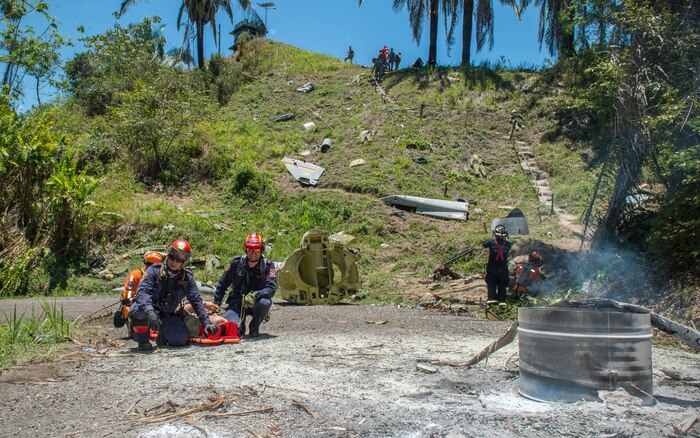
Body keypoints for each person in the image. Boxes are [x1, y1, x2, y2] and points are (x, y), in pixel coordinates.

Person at [129, 239, 218, 351]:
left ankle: (163, 333)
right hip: (148, 309)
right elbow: (142, 293)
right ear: (168, 255)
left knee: (179, 340)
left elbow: (196, 301)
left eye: (179, 260)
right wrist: (150, 311)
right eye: (172, 257)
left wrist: (207, 322)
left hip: (167, 313)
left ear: (184, 262)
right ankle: (143, 341)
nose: (174, 262)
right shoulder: (153, 270)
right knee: (138, 311)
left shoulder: (187, 278)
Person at [213, 234, 277, 338]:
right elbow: (222, 285)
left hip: (256, 302)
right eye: (249, 248)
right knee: (236, 330)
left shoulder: (268, 265)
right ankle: (240, 326)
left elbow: (271, 288)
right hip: (237, 303)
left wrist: (256, 294)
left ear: (261, 250)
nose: (253, 252)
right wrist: (216, 305)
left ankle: (254, 327)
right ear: (245, 249)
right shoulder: (236, 263)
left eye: (256, 249)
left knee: (265, 302)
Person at [113, 251, 164, 336]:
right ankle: (134, 327)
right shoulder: (136, 275)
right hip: (138, 304)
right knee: (132, 309)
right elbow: (128, 297)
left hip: (155, 304)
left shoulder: (163, 275)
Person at [483, 225, 512, 308]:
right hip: (503, 268)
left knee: (491, 283)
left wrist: (485, 240)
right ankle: (502, 300)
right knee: (502, 284)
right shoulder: (508, 245)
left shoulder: (491, 243)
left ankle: (492, 299)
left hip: (492, 267)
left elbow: (484, 244)